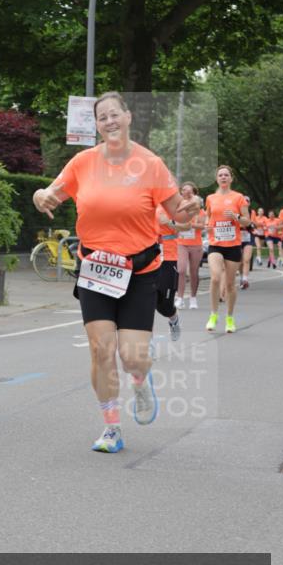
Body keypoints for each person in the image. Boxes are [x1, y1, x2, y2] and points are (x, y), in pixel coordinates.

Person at [33, 92, 201, 454]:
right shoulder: (82, 162)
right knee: (101, 350)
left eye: (114, 115)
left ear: (127, 117)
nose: (109, 121)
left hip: (139, 271)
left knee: (133, 356)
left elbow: (179, 214)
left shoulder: (150, 164)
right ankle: (111, 428)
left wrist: (191, 208)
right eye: (101, 117)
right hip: (96, 269)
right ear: (96, 125)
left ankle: (140, 379)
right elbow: (51, 193)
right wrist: (39, 196)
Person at [204, 165, 250, 333]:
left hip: (233, 245)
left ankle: (229, 318)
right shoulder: (210, 198)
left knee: (230, 285)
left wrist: (237, 217)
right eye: (220, 175)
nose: (223, 177)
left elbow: (247, 221)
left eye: (226, 175)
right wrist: (206, 225)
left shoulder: (239, 198)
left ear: (231, 178)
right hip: (215, 244)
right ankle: (213, 314)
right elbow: (208, 218)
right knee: (216, 278)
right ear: (217, 178)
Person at [155, 205, 185, 340]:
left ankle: (174, 320)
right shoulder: (142, 203)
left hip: (167, 257)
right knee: (144, 300)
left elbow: (185, 227)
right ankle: (147, 340)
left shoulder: (172, 205)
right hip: (146, 258)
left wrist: (169, 222)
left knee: (165, 305)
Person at [175, 181, 206, 309]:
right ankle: (180, 298)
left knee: (194, 272)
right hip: (181, 243)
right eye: (183, 190)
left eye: (188, 190)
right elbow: (175, 225)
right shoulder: (179, 207)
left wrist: (190, 225)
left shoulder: (199, 210)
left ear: (193, 192)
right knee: (181, 270)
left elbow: (202, 226)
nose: (185, 191)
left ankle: (193, 298)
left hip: (195, 244)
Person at [238, 195, 254, 289]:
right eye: (244, 201)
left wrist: (250, 225)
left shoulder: (252, 212)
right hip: (238, 237)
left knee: (246, 259)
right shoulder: (236, 211)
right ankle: (241, 277)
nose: (246, 203)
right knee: (240, 261)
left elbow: (254, 223)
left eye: (247, 201)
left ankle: (245, 279)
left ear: (249, 203)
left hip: (248, 237)